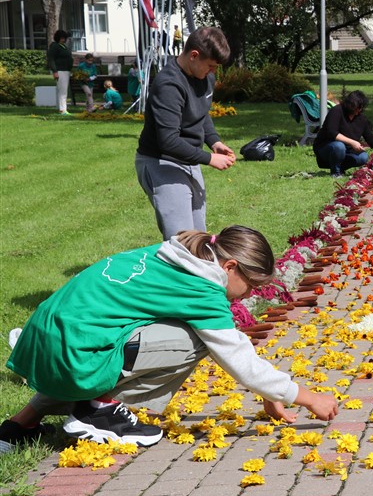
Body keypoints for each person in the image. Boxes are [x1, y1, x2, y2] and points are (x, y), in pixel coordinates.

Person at [0, 225, 339, 452]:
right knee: (198, 339)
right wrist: (307, 398)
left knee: (146, 330)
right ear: (230, 266)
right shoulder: (202, 288)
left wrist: (267, 392)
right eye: (250, 285)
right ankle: (100, 412)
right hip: (71, 358)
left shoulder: (174, 256)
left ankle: (18, 427)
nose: (248, 295)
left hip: (43, 348)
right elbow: (237, 356)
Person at [135, 26, 235, 240]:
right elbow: (168, 141)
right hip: (162, 162)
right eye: (211, 66)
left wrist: (214, 141)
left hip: (189, 159)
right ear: (194, 56)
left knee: (198, 237)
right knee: (182, 239)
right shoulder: (169, 85)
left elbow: (201, 113)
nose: (213, 72)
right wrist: (209, 159)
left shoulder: (205, 77)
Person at [313, 90, 373, 178]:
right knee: (339, 146)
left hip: (346, 150)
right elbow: (332, 132)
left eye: (360, 107)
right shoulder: (336, 111)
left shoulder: (361, 119)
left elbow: (371, 138)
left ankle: (340, 168)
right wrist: (352, 142)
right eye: (356, 107)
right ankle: (335, 172)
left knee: (363, 157)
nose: (358, 110)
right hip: (326, 147)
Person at [46, 29, 73, 115]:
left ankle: (59, 107)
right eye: (61, 38)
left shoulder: (63, 46)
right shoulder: (55, 46)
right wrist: (55, 71)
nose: (63, 40)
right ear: (58, 38)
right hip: (60, 70)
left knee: (61, 90)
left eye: (64, 38)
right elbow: (51, 59)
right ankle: (63, 109)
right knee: (63, 91)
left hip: (66, 70)